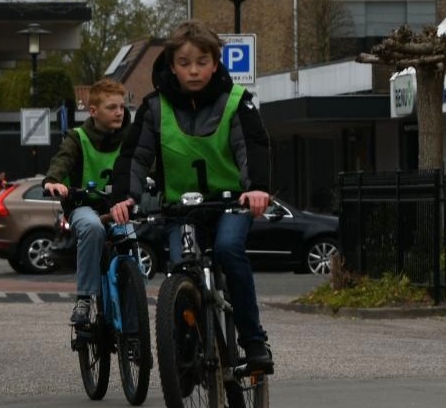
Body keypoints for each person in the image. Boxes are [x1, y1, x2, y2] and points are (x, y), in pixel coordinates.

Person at [110, 20, 275, 369]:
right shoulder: (155, 107)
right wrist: (126, 196)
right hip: (180, 209)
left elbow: (253, 147)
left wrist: (256, 189)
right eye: (184, 63)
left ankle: (254, 341)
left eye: (202, 61)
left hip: (230, 204)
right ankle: (184, 349)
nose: (194, 70)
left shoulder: (237, 102)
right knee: (181, 269)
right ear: (172, 66)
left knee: (230, 251)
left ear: (215, 63)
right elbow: (135, 155)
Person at [44, 78, 129, 328]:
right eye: (112, 107)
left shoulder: (128, 138)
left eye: (122, 107)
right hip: (84, 206)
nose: (119, 112)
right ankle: (84, 298)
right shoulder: (77, 137)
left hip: (118, 208)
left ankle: (134, 322)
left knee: (133, 235)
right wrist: (54, 182)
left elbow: (146, 163)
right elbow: (62, 161)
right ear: (93, 111)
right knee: (92, 227)